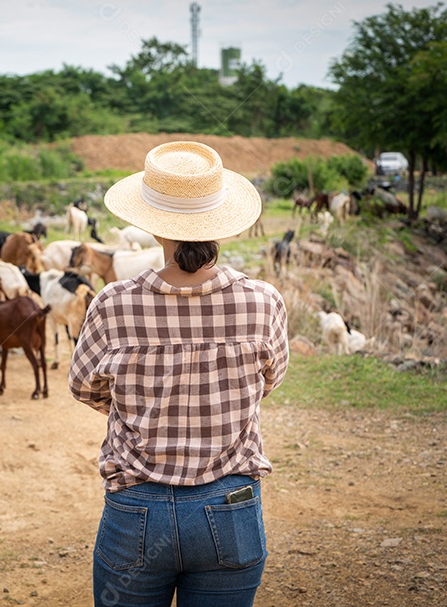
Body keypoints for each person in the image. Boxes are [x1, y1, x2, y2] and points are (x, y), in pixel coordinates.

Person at [68, 141, 289, 607]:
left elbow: (84, 386)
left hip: (137, 509)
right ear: (221, 220)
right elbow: (267, 381)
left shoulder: (112, 303)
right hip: (230, 507)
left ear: (151, 224)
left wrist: (139, 404)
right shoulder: (263, 301)